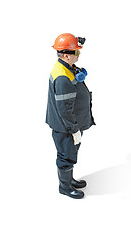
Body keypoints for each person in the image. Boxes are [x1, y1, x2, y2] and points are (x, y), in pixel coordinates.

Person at [46, 33, 95, 199]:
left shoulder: (66, 67)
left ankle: (69, 179)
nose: (78, 55)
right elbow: (65, 109)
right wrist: (73, 129)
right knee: (66, 155)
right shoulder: (62, 77)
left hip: (71, 124)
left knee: (71, 153)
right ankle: (65, 187)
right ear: (67, 55)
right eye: (77, 52)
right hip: (66, 126)